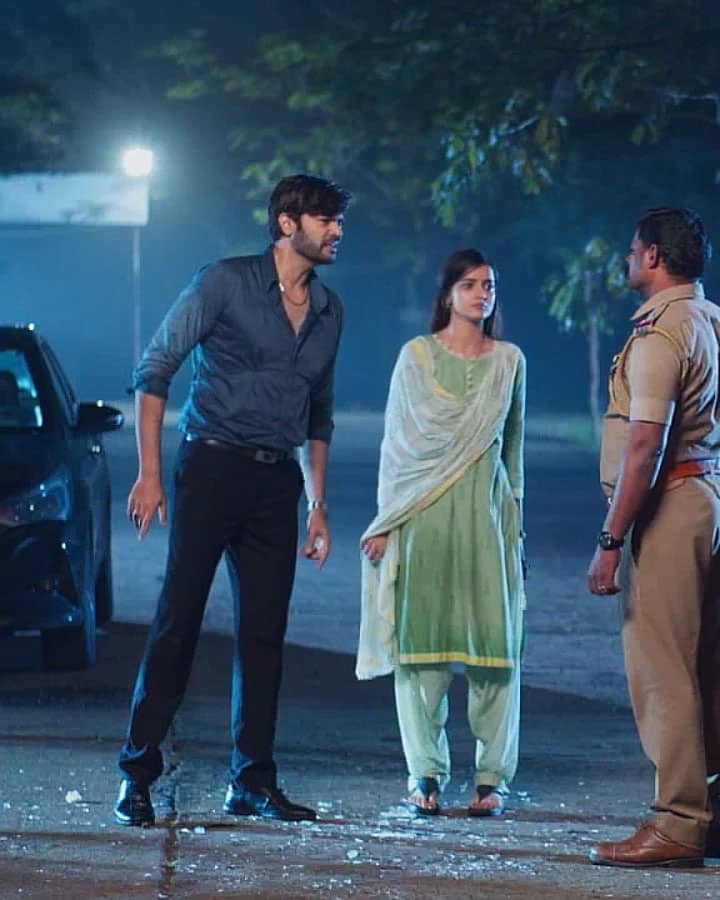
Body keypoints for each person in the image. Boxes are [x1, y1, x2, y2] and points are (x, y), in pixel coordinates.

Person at [115, 174, 350, 827]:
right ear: (287, 223)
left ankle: (252, 780)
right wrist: (149, 474)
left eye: (340, 221)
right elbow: (154, 370)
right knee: (178, 621)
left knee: (264, 635)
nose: (337, 231)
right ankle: (137, 773)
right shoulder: (223, 282)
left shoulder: (329, 311)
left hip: (277, 484)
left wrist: (318, 505)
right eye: (326, 219)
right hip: (211, 467)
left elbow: (319, 415)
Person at [587, 207, 720, 868]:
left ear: (654, 256)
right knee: (701, 663)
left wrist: (610, 540)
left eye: (634, 249)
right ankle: (703, 812)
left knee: (662, 667)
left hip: (672, 504)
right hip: (717, 496)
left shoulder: (662, 332)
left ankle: (678, 820)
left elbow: (645, 446)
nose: (629, 259)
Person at [358, 248, 525, 818]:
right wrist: (386, 523)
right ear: (448, 294)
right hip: (423, 519)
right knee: (421, 653)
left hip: (485, 521)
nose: (482, 294)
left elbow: (513, 451)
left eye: (489, 285)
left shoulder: (509, 361)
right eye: (470, 284)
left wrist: (515, 529)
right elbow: (397, 447)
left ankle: (492, 778)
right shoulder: (415, 358)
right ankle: (424, 772)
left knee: (495, 653)